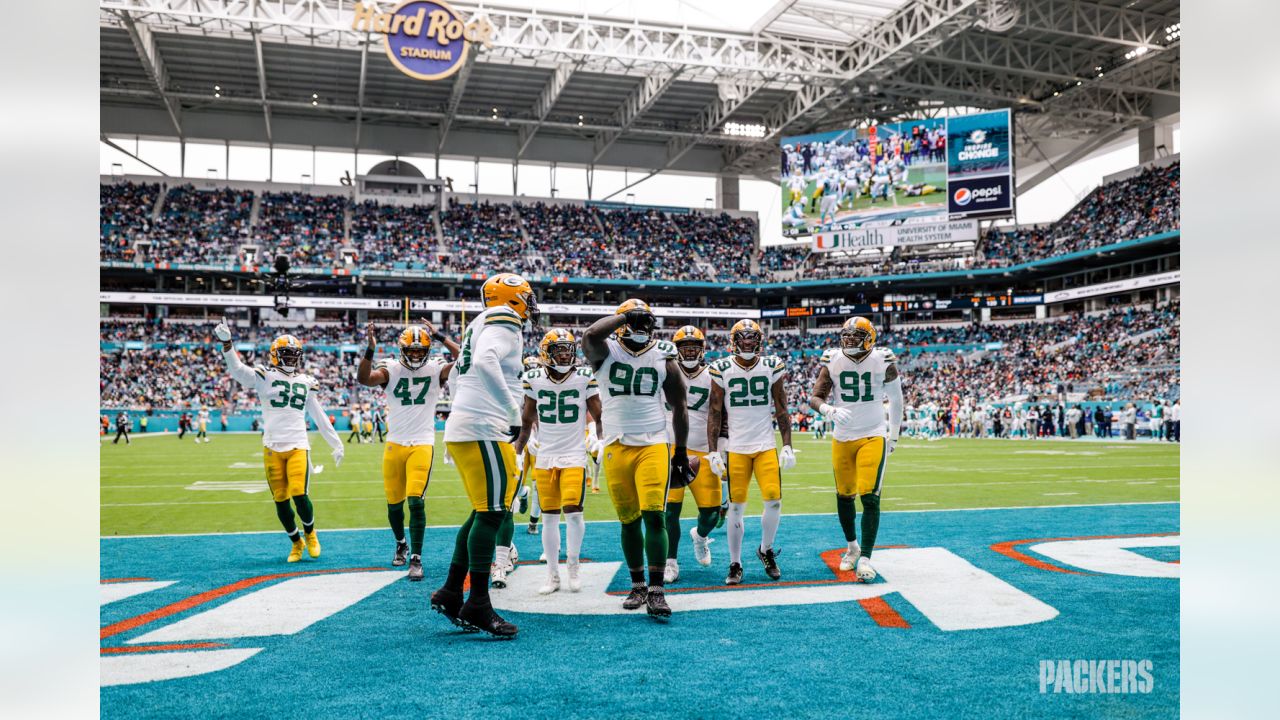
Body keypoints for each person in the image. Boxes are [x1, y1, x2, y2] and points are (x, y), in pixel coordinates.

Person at [429, 273, 537, 638]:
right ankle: (477, 603)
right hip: (484, 427)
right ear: (514, 298)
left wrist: (464, 413)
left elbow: (460, 375)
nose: (531, 303)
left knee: (483, 511)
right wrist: (511, 413)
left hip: (470, 424)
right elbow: (485, 362)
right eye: (527, 296)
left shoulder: (479, 323)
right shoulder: (503, 321)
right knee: (493, 513)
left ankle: (449, 591)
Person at [582, 298, 690, 620]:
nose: (643, 328)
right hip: (616, 443)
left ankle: (657, 590)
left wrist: (681, 451)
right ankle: (638, 583)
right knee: (628, 521)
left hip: (653, 443)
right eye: (636, 322)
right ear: (623, 322)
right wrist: (623, 316)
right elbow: (589, 336)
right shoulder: (605, 351)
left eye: (647, 322)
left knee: (654, 515)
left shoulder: (663, 355)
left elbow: (680, 406)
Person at [214, 322, 344, 563]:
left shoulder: (306, 381)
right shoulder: (264, 376)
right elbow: (239, 371)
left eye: (293, 355)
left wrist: (336, 442)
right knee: (281, 499)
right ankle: (296, 542)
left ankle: (311, 532)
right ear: (275, 355)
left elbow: (318, 414)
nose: (290, 360)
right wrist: (227, 345)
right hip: (272, 446)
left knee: (299, 492)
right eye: (286, 355)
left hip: (297, 444)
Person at [356, 323, 455, 582]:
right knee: (394, 504)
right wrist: (369, 350)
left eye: (419, 351)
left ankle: (417, 558)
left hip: (422, 442)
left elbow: (466, 359)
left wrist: (440, 336)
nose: (414, 356)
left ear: (427, 349)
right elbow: (364, 379)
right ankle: (401, 543)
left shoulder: (435, 367)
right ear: (402, 350)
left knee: (415, 500)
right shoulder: (391, 369)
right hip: (395, 443)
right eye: (410, 351)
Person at [808, 316, 903, 582]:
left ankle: (866, 558)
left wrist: (893, 437)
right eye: (846, 337)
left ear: (869, 339)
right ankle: (852, 547)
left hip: (873, 434)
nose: (849, 342)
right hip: (842, 436)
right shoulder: (833, 359)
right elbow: (816, 397)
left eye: (855, 337)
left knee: (870, 496)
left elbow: (896, 399)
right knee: (844, 495)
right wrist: (829, 409)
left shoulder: (883, 359)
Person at [513, 329, 603, 595]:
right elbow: (527, 421)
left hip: (574, 454)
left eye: (568, 350)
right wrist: (518, 452)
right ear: (546, 354)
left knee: (574, 512)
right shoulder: (533, 379)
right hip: (545, 456)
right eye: (559, 350)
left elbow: (599, 415)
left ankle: (573, 566)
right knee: (549, 518)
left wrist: (598, 439)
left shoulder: (584, 377)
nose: (565, 355)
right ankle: (552, 574)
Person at [707, 319, 793, 585]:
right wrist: (713, 452)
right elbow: (714, 412)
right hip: (736, 448)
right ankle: (735, 563)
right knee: (735, 507)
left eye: (752, 339)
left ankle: (765, 549)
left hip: (765, 444)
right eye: (743, 339)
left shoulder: (771, 366)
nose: (748, 344)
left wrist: (787, 444)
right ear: (734, 342)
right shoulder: (722, 368)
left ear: (760, 342)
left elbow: (781, 407)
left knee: (774, 500)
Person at [663, 325, 721, 583]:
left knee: (712, 513)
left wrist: (722, 449)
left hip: (702, 448)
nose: (688, 353)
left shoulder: (714, 375)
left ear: (702, 351)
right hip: (670, 447)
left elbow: (721, 414)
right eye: (684, 348)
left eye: (693, 348)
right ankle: (670, 562)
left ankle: (699, 535)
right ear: (676, 350)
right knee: (669, 512)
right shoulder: (663, 370)